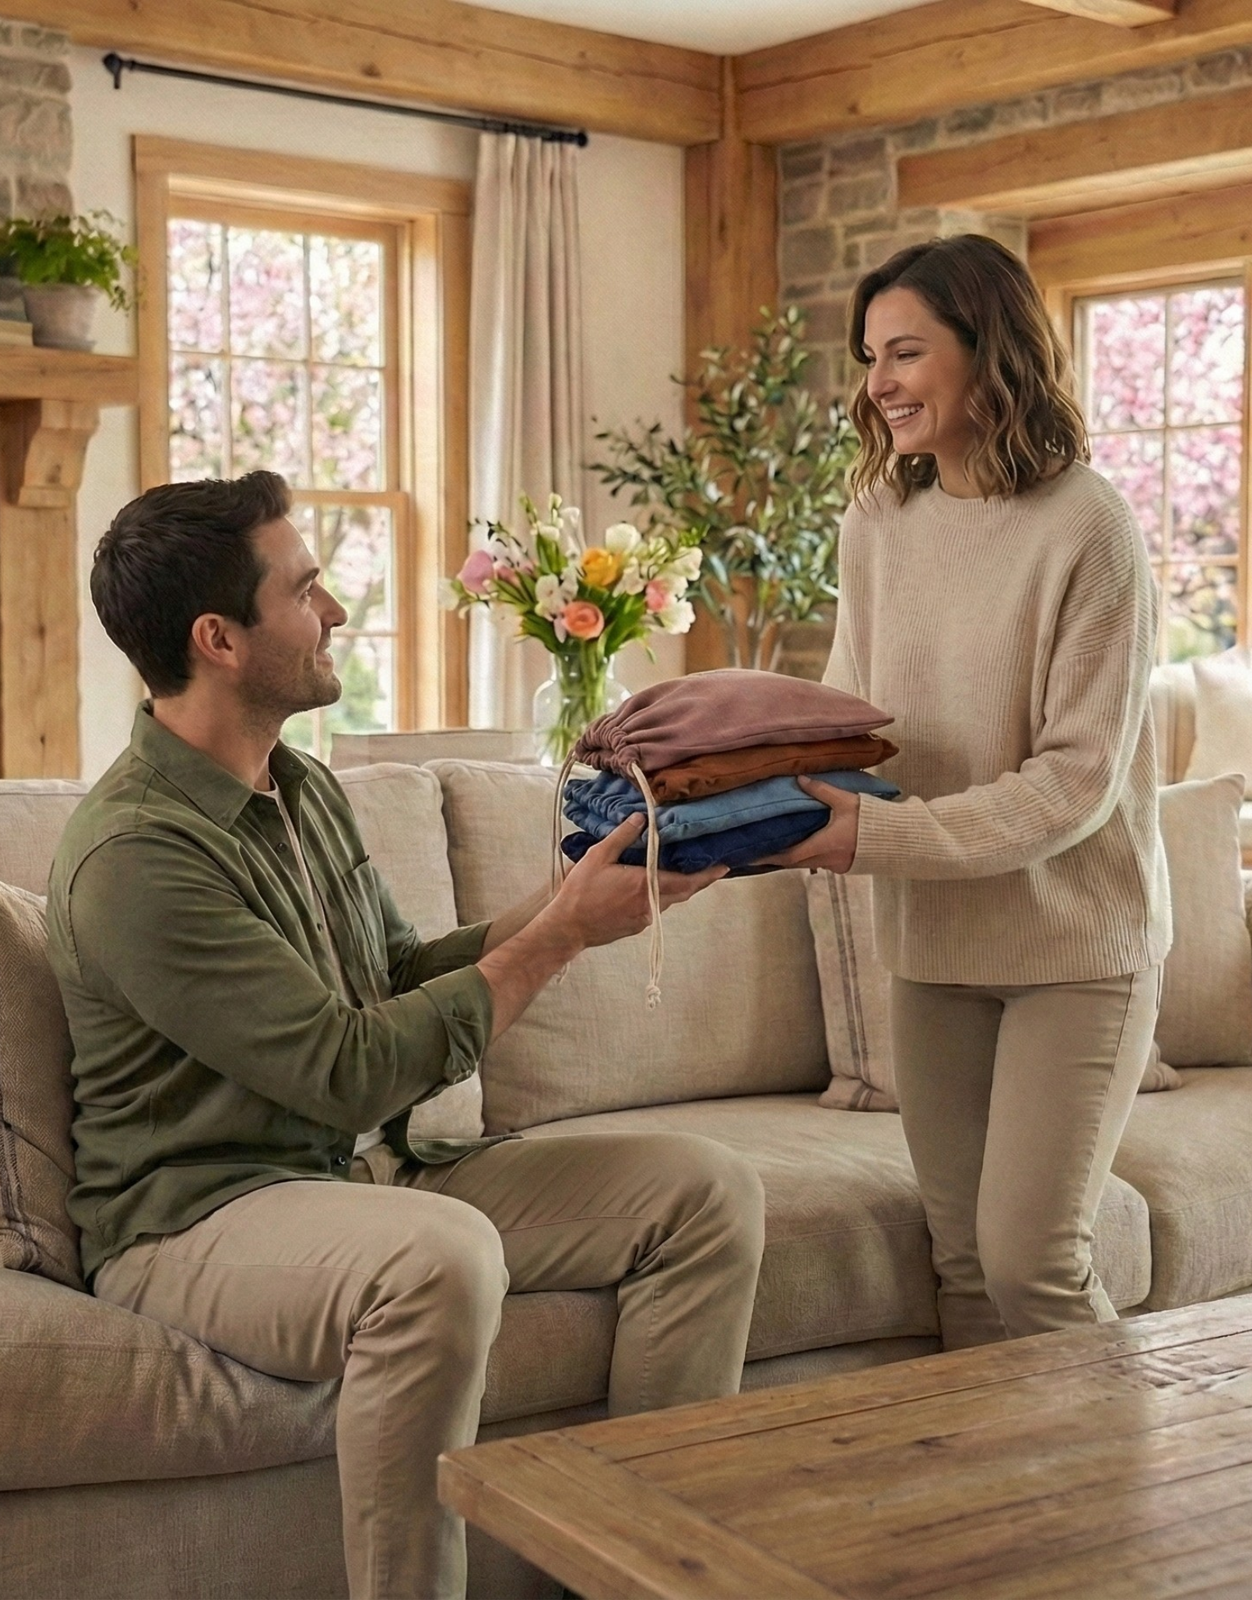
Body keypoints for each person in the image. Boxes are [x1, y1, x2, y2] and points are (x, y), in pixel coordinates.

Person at [46, 471, 765, 1600]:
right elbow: (344, 1070)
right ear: (219, 639)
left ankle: (644, 1577)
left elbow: (390, 979)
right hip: (199, 1216)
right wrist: (559, 942)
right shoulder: (137, 856)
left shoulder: (303, 789)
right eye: (307, 587)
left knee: (703, 1193)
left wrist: (568, 896)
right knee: (440, 1256)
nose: (334, 611)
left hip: (371, 1172)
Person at [760, 234, 1171, 1350]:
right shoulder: (878, 523)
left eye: (903, 352)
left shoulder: (1090, 525)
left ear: (988, 351)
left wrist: (873, 840)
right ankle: (996, 1525)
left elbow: (1075, 783)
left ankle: (1121, 1518)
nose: (877, 383)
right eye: (868, 358)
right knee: (961, 1270)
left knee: (1033, 1265)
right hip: (935, 947)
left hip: (1075, 953)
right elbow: (852, 718)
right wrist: (733, 796)